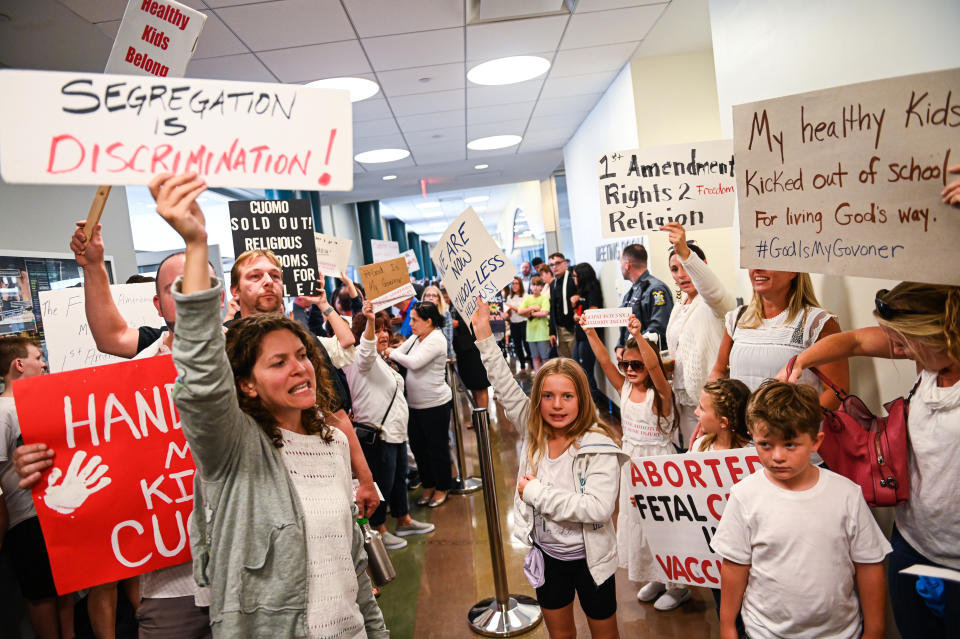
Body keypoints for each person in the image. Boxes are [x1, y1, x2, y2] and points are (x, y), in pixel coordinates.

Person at [154, 171, 388, 638]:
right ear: (245, 385)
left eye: (301, 356)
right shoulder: (237, 452)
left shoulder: (329, 444)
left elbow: (354, 564)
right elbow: (201, 380)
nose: (299, 368)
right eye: (278, 362)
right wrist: (197, 244)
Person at [779, 282, 960, 638]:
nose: (895, 349)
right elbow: (854, 342)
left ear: (939, 336)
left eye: (903, 341)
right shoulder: (930, 365)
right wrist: (800, 363)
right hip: (912, 542)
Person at [472, 297, 625, 639]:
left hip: (591, 562)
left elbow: (598, 508)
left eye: (567, 396)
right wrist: (483, 333)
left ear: (582, 398)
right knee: (560, 634)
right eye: (548, 396)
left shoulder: (597, 445)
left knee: (605, 633)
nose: (557, 405)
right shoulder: (533, 427)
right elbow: (504, 383)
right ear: (538, 399)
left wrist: (536, 493)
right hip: (548, 558)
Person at [711, 382, 890, 639]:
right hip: (764, 632)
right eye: (765, 445)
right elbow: (735, 565)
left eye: (790, 444)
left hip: (840, 633)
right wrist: (727, 626)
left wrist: (875, 629)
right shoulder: (744, 495)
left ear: (816, 442)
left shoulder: (847, 495)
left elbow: (869, 565)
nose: (777, 456)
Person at [581, 314, 686, 611]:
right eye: (626, 364)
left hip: (658, 464)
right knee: (640, 523)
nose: (629, 370)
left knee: (664, 523)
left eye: (636, 364)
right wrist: (590, 334)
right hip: (633, 464)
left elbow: (654, 366)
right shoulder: (625, 388)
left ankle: (677, 586)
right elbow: (604, 363)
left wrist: (640, 337)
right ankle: (655, 574)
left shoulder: (661, 394)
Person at [1, 337, 76, 639]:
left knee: (67, 584)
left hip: (57, 510)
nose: (44, 363)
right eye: (38, 356)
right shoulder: (3, 410)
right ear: (19, 364)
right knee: (41, 592)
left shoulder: (38, 404)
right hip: (26, 518)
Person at [344, 302, 434, 551]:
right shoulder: (360, 358)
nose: (383, 335)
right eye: (377, 330)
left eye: (386, 330)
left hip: (395, 433)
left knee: (398, 479)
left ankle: (403, 519)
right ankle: (379, 529)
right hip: (377, 433)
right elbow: (366, 352)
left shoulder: (383, 360)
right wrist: (370, 323)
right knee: (381, 484)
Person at [708, 269, 848, 412]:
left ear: (793, 272)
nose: (757, 269)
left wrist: (794, 425)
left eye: (767, 262)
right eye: (753, 262)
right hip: (742, 432)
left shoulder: (816, 322)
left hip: (791, 433)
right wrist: (710, 409)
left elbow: (836, 392)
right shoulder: (737, 319)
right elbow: (718, 372)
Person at [661, 223, 737, 447]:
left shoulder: (715, 303)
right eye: (674, 269)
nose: (681, 274)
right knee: (689, 454)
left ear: (701, 267)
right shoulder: (680, 305)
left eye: (685, 266)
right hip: (683, 401)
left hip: (711, 403)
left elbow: (712, 289)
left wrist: (684, 251)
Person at [384, 301, 453, 508]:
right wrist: (392, 351)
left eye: (414, 320)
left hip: (435, 405)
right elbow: (401, 351)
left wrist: (389, 352)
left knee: (437, 448)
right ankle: (429, 485)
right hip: (414, 405)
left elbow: (413, 362)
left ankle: (442, 487)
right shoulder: (416, 338)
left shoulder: (436, 340)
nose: (410, 323)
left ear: (428, 321)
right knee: (419, 448)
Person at [616, 244, 673, 356]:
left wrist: (635, 346)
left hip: (651, 357)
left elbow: (659, 327)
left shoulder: (656, 289)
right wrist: (620, 345)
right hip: (634, 356)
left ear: (627, 265)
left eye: (621, 262)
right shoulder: (631, 292)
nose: (620, 266)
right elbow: (625, 323)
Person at [571, 263, 603, 403]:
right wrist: (574, 309)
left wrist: (581, 316)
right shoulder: (581, 292)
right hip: (580, 335)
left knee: (586, 371)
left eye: (575, 276)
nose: (574, 278)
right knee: (577, 369)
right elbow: (578, 312)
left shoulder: (593, 291)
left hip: (589, 337)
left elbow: (594, 312)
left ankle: (593, 404)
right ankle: (586, 402)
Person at [691, 379, 752, 453]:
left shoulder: (752, 452)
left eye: (702, 409)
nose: (696, 412)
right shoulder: (700, 446)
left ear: (723, 422)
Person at [547, 252, 577, 359]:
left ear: (565, 263)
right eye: (552, 265)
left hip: (572, 328)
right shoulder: (552, 284)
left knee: (576, 362)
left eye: (557, 263)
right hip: (558, 330)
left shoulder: (573, 280)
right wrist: (552, 332)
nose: (555, 267)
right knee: (564, 362)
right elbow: (552, 309)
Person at [518, 276, 551, 371]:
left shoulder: (544, 298)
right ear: (530, 286)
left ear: (541, 287)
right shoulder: (528, 299)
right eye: (533, 285)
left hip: (542, 333)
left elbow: (544, 312)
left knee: (545, 358)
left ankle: (545, 377)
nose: (535, 287)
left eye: (538, 285)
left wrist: (530, 314)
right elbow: (520, 311)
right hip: (531, 333)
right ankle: (537, 378)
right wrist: (533, 308)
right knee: (535, 357)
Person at [504, 277, 531, 372]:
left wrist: (512, 307)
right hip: (513, 323)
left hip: (524, 322)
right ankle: (523, 367)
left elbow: (522, 312)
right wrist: (506, 314)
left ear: (520, 284)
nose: (514, 285)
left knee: (527, 345)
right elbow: (508, 313)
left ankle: (531, 365)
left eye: (516, 283)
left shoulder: (526, 296)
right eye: (513, 283)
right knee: (517, 346)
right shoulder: (509, 297)